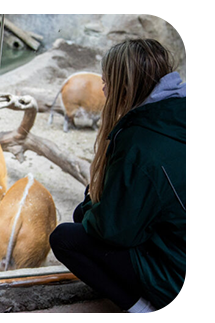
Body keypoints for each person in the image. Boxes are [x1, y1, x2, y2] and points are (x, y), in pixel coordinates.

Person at [49, 39, 187, 314]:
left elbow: (116, 230)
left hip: (184, 282)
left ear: (124, 84)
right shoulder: (181, 114)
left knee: (65, 236)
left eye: (107, 80)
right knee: (85, 215)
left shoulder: (141, 140)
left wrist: (91, 204)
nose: (103, 89)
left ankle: (145, 310)